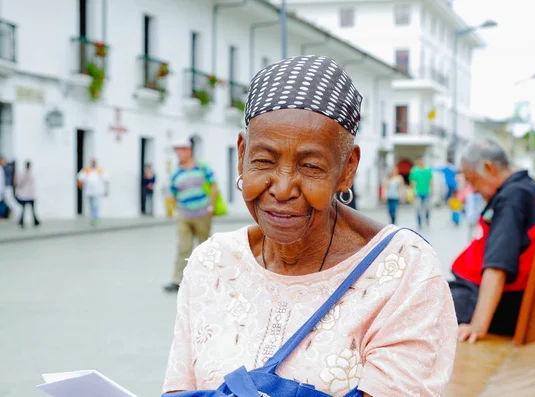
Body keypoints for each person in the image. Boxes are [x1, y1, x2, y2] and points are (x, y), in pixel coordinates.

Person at [163, 56, 457, 397]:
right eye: (263, 161)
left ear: (347, 168)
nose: (283, 188)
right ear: (242, 154)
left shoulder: (404, 269)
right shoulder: (211, 263)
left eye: (310, 166)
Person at [449, 138, 535, 344]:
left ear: (489, 168)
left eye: (472, 180)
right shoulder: (529, 187)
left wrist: (478, 326)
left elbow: (497, 266)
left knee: (415, 304)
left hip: (480, 296)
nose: (472, 189)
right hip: (487, 292)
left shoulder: (511, 199)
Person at [163, 139, 217, 293]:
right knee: (183, 247)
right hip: (184, 215)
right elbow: (172, 193)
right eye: (177, 151)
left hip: (202, 214)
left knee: (205, 246)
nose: (179, 154)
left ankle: (211, 279)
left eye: (181, 150)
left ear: (189, 151)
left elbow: (213, 184)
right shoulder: (176, 173)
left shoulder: (201, 167)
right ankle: (177, 280)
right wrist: (176, 210)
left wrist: (211, 206)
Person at [77, 159, 108, 225]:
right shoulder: (87, 170)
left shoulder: (99, 170)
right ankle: (93, 217)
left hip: (97, 191)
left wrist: (106, 191)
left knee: (95, 205)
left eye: (94, 162)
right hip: (89, 191)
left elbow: (106, 179)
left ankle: (95, 218)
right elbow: (80, 177)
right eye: (92, 162)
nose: (93, 164)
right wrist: (80, 184)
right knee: (91, 205)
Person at [409, 156, 433, 229]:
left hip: (426, 192)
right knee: (418, 209)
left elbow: (430, 181)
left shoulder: (427, 170)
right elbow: (412, 182)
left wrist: (432, 190)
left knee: (427, 208)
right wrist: (412, 192)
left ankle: (427, 219)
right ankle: (419, 223)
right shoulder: (414, 170)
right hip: (417, 192)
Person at [15, 161, 40, 228]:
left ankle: (22, 221)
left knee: (23, 209)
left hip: (24, 195)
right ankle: (35, 221)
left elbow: (18, 183)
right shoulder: (31, 174)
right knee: (32, 210)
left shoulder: (21, 173)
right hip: (31, 195)